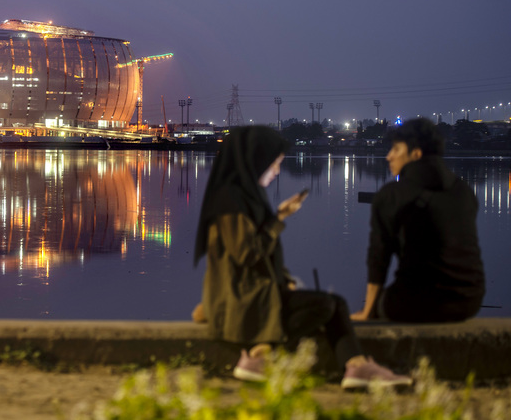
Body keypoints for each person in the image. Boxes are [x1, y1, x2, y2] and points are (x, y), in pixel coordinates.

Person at [194, 126, 411, 389]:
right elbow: (247, 253)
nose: (276, 172)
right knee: (330, 306)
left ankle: (356, 366)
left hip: (254, 295)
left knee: (332, 305)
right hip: (246, 301)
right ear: (256, 162)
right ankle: (260, 355)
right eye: (274, 164)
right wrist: (278, 219)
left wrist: (283, 275)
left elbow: (258, 255)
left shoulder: (246, 198)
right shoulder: (231, 203)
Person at [351, 118, 485, 323]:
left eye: (396, 149)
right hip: (469, 301)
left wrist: (368, 311)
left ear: (416, 153)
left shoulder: (391, 195)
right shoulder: (463, 191)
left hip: (416, 301)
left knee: (383, 303)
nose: (388, 156)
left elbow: (379, 257)